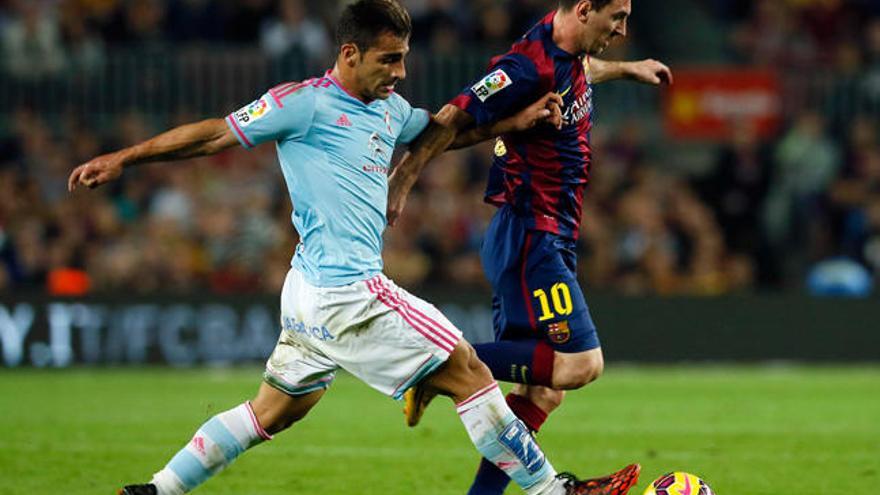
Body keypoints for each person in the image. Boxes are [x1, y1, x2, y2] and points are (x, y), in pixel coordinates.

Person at [68, 1, 638, 494]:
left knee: (271, 411)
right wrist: (125, 157)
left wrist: (516, 118)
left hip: (308, 293)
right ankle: (555, 487)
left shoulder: (389, 110)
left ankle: (156, 489)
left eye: (404, 58)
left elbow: (447, 131)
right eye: (389, 59)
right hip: (348, 292)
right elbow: (215, 133)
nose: (401, 71)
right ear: (349, 54)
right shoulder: (304, 103)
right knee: (467, 371)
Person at [388, 1, 673, 494]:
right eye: (618, 18)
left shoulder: (567, 53)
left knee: (542, 391)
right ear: (585, 9)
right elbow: (454, 114)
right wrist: (402, 179)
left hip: (547, 235)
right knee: (582, 365)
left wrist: (628, 70)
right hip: (531, 237)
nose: (624, 30)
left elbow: (584, 68)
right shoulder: (525, 66)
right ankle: (433, 366)